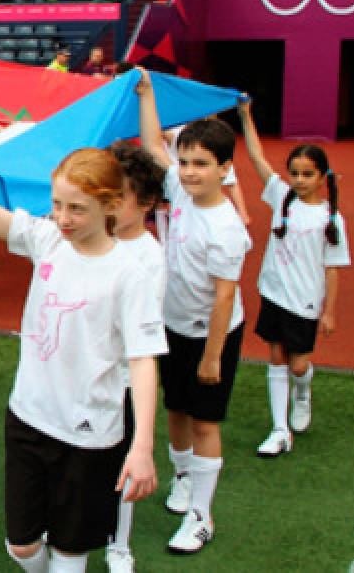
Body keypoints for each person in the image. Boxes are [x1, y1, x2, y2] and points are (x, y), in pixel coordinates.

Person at [0, 98, 163, 573]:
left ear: (109, 206)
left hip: (90, 435)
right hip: (27, 417)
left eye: (76, 209)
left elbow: (144, 361)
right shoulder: (45, 240)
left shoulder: (130, 273)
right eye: (57, 203)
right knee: (21, 545)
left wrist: (142, 444)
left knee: (70, 551)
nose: (62, 217)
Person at [136, 68, 251, 555]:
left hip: (212, 334)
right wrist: (145, 93)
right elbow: (150, 146)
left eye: (200, 164)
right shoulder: (181, 189)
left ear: (225, 168)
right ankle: (184, 478)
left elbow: (224, 297)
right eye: (184, 161)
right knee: (175, 409)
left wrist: (212, 356)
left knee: (205, 423)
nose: (186, 172)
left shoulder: (226, 228)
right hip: (173, 325)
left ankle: (202, 517)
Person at [237, 99, 349, 456]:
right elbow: (257, 158)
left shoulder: (331, 220)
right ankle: (279, 429)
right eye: (294, 173)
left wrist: (329, 312)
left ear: (322, 177)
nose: (299, 180)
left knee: (298, 363)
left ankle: (303, 391)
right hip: (275, 293)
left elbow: (332, 269)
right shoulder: (282, 197)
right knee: (276, 357)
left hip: (307, 299)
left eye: (307, 174)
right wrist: (246, 115)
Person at [105, 139, 168, 573]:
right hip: (83, 376)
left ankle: (119, 545)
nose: (107, 204)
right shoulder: (92, 236)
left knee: (120, 465)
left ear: (145, 202)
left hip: (122, 381)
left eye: (118, 196)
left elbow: (139, 340)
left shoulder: (148, 256)